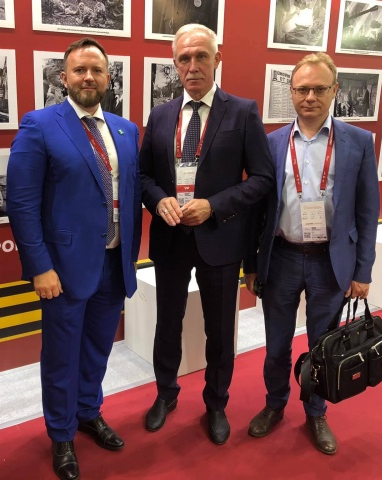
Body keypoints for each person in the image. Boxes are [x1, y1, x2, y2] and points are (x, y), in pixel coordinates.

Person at [7, 37, 141, 480]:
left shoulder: (125, 130)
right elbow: (22, 204)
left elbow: (128, 195)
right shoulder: (40, 125)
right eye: (79, 70)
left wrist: (131, 255)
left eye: (96, 70)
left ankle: (88, 411)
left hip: (114, 262)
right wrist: (40, 267)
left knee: (99, 348)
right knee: (62, 356)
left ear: (108, 77)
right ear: (63, 78)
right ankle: (61, 433)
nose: (88, 77)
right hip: (63, 270)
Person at [139, 23, 274, 445]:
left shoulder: (242, 111)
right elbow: (143, 176)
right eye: (184, 58)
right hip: (171, 238)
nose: (193, 66)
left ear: (218, 59)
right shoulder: (161, 115)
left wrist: (213, 205)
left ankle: (216, 403)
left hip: (221, 239)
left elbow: (263, 178)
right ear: (175, 64)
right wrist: (158, 200)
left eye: (201, 56)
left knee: (219, 330)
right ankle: (165, 394)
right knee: (167, 324)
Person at [244, 52, 380, 456]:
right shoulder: (271, 143)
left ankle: (316, 412)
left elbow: (368, 210)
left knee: (324, 344)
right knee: (276, 344)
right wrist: (251, 265)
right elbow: (256, 211)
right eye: (302, 89)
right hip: (282, 258)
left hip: (330, 262)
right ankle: (274, 404)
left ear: (334, 90)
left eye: (319, 89)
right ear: (291, 92)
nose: (310, 97)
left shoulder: (358, 142)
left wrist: (363, 271)